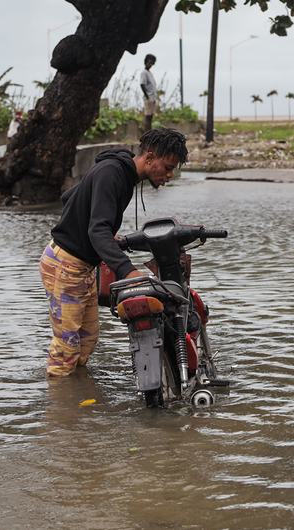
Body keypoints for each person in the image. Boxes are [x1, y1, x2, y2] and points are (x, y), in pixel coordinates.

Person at [39, 128, 188, 377]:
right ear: (149, 158)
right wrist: (127, 271)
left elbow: (70, 197)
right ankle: (58, 410)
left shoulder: (123, 174)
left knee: (87, 340)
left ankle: (74, 399)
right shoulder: (112, 173)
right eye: (167, 167)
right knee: (66, 347)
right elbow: (97, 231)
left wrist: (104, 232)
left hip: (83, 267)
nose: (170, 175)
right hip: (65, 265)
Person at [140, 54, 159, 133]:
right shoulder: (144, 73)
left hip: (153, 97)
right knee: (147, 116)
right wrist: (147, 97)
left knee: (150, 117)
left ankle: (149, 133)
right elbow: (142, 84)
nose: (151, 64)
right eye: (150, 62)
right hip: (149, 98)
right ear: (146, 62)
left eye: (152, 63)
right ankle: (146, 134)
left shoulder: (149, 73)